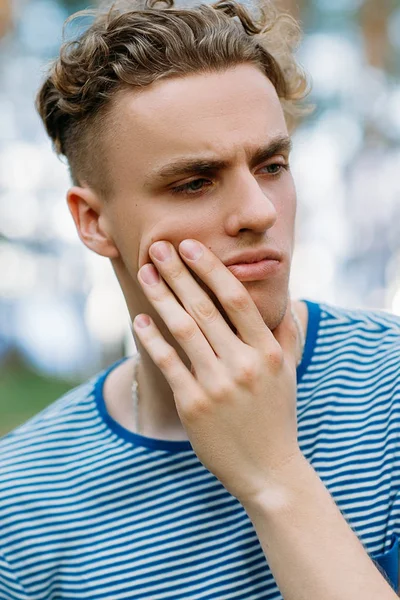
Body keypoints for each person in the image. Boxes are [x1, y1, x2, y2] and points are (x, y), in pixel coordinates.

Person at [1, 0, 399, 598]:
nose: (260, 212)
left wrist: (273, 476)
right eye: (194, 182)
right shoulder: (24, 500)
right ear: (93, 221)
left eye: (271, 165)